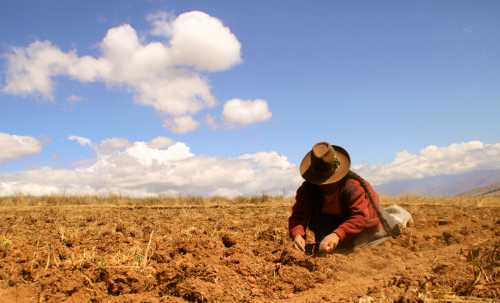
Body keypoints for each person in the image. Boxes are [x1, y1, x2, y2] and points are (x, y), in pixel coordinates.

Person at [289, 142, 411, 254]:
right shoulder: (307, 189)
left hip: (359, 229)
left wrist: (337, 235)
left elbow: (360, 217)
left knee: (380, 234)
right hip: (330, 226)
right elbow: (299, 215)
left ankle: (400, 214)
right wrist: (297, 235)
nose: (325, 185)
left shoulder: (351, 186)